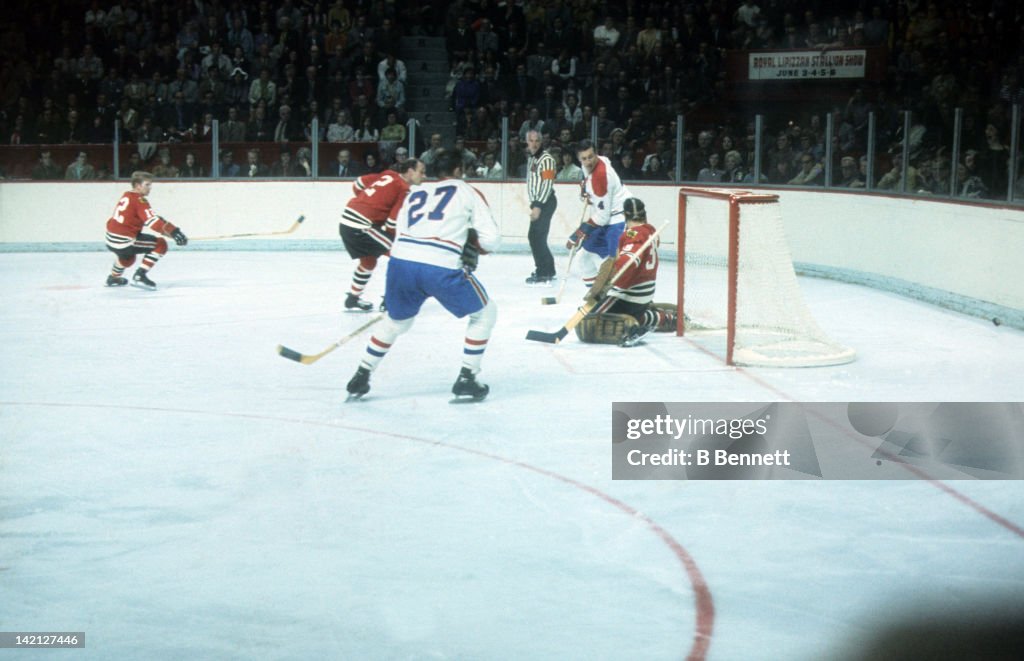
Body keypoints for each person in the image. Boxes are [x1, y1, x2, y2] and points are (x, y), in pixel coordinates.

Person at [346, 150, 500, 402]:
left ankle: (362, 374)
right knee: (485, 313)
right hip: (439, 265)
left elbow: (395, 228)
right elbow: (491, 240)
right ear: (460, 170)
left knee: (397, 323)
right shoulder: (467, 191)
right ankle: (467, 378)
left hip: (401, 262)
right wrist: (471, 244)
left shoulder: (414, 192)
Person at [578, 198, 676, 347]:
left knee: (587, 320)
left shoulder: (633, 235)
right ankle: (664, 318)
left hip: (628, 295)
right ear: (645, 214)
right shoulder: (651, 230)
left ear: (625, 215)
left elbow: (628, 262)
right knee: (630, 313)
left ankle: (633, 329)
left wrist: (607, 283)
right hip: (645, 295)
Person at [340, 158, 427, 311]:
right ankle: (390, 300)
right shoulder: (403, 188)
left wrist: (366, 201)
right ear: (410, 171)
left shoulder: (388, 174)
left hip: (347, 222)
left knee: (368, 262)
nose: (424, 176)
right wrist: (391, 241)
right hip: (362, 226)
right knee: (400, 255)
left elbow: (358, 183)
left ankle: (352, 299)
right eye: (422, 172)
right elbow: (392, 222)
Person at [103, 171, 188, 290]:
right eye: (147, 185)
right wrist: (174, 232)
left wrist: (171, 233)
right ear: (138, 185)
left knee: (128, 259)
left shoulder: (127, 195)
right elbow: (153, 222)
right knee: (160, 244)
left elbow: (153, 219)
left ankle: (113, 277)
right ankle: (140, 276)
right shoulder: (140, 200)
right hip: (125, 241)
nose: (150, 188)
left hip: (110, 239)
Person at [569, 139, 632, 288]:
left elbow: (602, 218)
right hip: (606, 217)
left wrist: (578, 234)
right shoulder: (591, 166)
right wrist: (585, 192)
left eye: (591, 156)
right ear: (579, 159)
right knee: (583, 257)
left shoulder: (601, 177)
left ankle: (618, 298)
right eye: (584, 158)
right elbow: (589, 187)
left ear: (596, 154)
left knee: (615, 265)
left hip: (619, 218)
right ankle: (595, 297)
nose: (588, 161)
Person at [524, 129, 558, 286]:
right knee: (537, 237)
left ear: (541, 142)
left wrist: (537, 206)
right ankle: (548, 270)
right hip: (538, 202)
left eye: (537, 140)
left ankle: (543, 272)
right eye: (531, 140)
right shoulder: (532, 159)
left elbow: (547, 183)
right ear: (527, 142)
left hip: (545, 202)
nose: (534, 143)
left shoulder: (547, 159)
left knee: (536, 237)